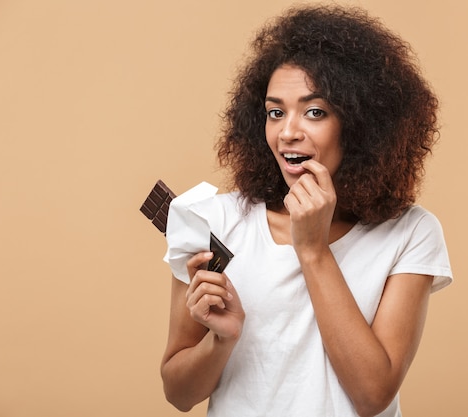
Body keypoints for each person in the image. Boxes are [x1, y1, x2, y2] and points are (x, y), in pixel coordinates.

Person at [160, 5, 452, 417]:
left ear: (361, 123)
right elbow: (178, 392)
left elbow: (373, 395)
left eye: (315, 111)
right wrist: (221, 340)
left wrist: (313, 249)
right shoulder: (215, 222)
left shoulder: (410, 232)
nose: (288, 132)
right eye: (275, 112)